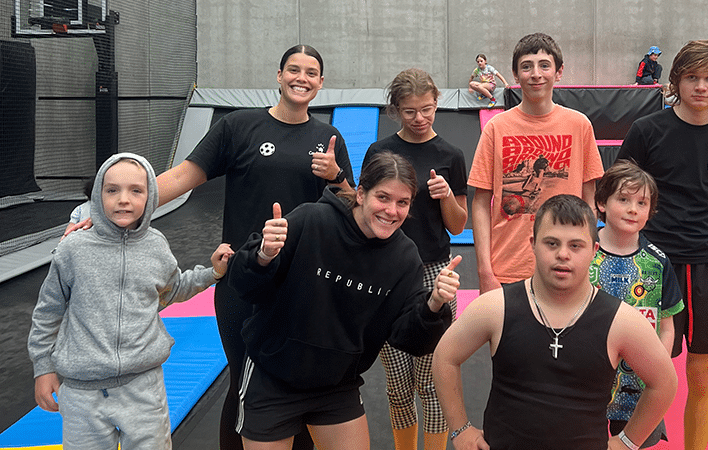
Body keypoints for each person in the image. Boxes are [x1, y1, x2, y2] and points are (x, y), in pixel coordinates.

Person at [148, 44, 354, 450]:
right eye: (293, 70)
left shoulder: (327, 138)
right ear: (278, 76)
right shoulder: (239, 127)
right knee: (245, 381)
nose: (302, 78)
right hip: (244, 281)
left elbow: (353, 208)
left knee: (299, 384)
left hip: (304, 284)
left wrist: (337, 178)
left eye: (311, 73)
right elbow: (182, 177)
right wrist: (108, 206)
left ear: (321, 83)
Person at [227, 152, 460, 449]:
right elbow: (244, 288)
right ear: (361, 194)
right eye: (383, 198)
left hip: (336, 385)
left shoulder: (404, 257)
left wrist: (434, 303)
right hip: (274, 376)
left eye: (403, 203)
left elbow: (409, 339)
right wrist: (263, 256)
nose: (391, 211)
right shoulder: (312, 220)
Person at [433, 194, 677, 450]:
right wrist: (460, 429)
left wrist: (628, 441)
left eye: (575, 246)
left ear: (594, 250)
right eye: (551, 243)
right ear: (533, 244)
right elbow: (444, 356)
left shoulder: (621, 320)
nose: (563, 254)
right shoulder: (496, 307)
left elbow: (664, 383)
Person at [28, 153, 233, 449]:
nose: (124, 199)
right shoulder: (73, 249)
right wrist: (43, 366)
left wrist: (212, 272)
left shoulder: (156, 246)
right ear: (98, 195)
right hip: (83, 393)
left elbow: (173, 289)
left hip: (143, 388)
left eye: (136, 191)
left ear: (150, 197)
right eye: (112, 190)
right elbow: (48, 311)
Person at [616, 39, 708, 450]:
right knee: (636, 369)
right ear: (676, 80)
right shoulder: (647, 130)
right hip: (652, 264)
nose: (700, 86)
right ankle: (631, 443)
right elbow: (623, 192)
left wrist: (703, 237)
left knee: (701, 373)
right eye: (692, 77)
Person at [363, 68, 468, 450]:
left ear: (437, 103)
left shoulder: (450, 156)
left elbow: (458, 226)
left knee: (432, 377)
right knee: (396, 382)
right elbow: (366, 211)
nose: (420, 118)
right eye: (410, 111)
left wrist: (446, 198)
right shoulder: (380, 152)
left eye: (427, 109)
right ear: (395, 110)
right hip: (387, 271)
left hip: (435, 272)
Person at [468, 33, 605, 294]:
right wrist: (485, 271)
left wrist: (587, 259)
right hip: (508, 268)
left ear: (559, 72)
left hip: (566, 267)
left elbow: (590, 200)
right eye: (527, 66)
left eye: (544, 65)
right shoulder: (497, 127)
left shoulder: (579, 125)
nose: (536, 74)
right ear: (515, 75)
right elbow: (481, 202)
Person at [590, 159, 684, 448]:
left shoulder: (658, 261)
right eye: (623, 199)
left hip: (637, 386)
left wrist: (657, 367)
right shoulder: (584, 253)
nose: (633, 209)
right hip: (586, 380)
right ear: (602, 203)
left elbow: (667, 326)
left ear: (650, 211)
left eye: (642, 203)